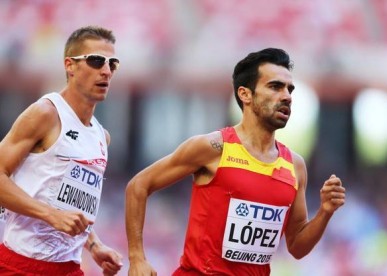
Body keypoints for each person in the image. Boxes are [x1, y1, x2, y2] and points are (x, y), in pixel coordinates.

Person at [125, 48, 346, 276]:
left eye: (289, 89)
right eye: (275, 87)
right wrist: (137, 257)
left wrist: (325, 212)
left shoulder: (295, 166)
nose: (287, 96)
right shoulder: (212, 148)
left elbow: (297, 247)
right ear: (245, 94)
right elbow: (138, 186)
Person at [0, 26, 123, 276]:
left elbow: (69, 205)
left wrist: (94, 245)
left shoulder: (101, 137)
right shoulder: (46, 113)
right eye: (97, 60)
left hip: (69, 268)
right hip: (21, 265)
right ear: (70, 65)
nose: (106, 71)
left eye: (113, 63)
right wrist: (50, 215)